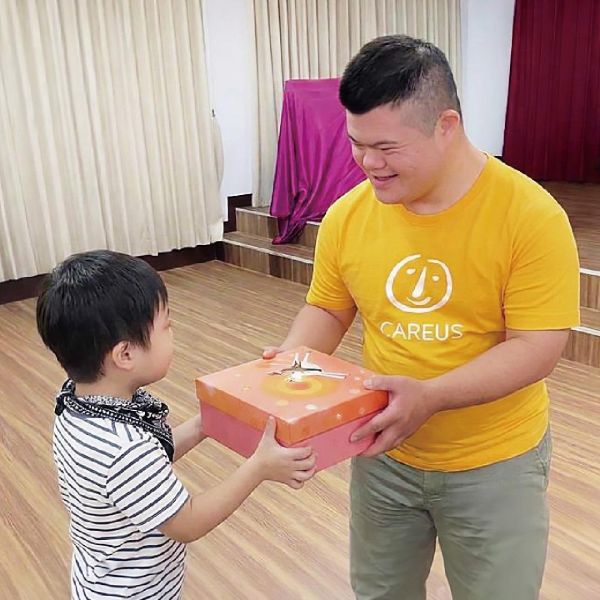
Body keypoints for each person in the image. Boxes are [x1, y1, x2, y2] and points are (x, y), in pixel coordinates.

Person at [263, 35, 580, 600]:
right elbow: (328, 306)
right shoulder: (348, 215)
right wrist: (292, 364)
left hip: (495, 463)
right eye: (356, 143)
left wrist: (430, 396)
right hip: (382, 452)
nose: (368, 163)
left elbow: (536, 347)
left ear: (446, 126)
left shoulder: (530, 216)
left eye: (387, 147)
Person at [37, 250, 316, 599]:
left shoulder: (77, 404)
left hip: (100, 577)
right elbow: (187, 522)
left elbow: (153, 456)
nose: (172, 333)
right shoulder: (125, 450)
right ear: (125, 354)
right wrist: (258, 468)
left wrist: (203, 424)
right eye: (166, 326)